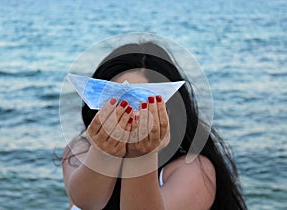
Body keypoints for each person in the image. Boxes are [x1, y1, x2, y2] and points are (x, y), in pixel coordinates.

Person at [62, 42, 247, 210]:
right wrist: (104, 151)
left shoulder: (193, 169)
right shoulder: (78, 151)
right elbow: (86, 202)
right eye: (117, 101)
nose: (130, 114)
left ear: (169, 111)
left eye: (143, 103)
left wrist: (142, 155)